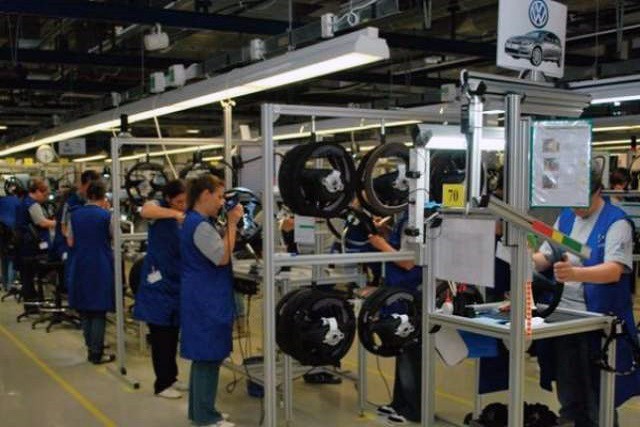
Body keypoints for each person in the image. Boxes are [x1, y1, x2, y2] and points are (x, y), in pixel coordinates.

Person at [532, 172, 640, 426]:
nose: (576, 208)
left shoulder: (616, 222)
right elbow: (547, 256)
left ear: (597, 192)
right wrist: (524, 257)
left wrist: (575, 273)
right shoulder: (566, 217)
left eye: (581, 202)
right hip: (565, 317)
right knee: (569, 390)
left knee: (597, 396)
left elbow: (614, 270)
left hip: (597, 320)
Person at [180, 174, 242, 427]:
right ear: (205, 195)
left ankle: (200, 411)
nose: (221, 202)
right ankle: (206, 417)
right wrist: (232, 224)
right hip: (206, 298)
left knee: (204, 358)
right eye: (218, 196)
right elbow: (222, 257)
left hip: (202, 294)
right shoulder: (200, 226)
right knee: (208, 356)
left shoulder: (195, 221)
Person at [134, 180, 187, 399]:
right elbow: (145, 210)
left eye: (185, 201)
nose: (183, 205)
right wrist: (175, 214)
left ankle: (171, 377)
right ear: (168, 199)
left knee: (172, 334)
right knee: (161, 337)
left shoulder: (184, 215)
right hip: (158, 285)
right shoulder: (158, 211)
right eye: (178, 201)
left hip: (174, 283)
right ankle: (162, 384)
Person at [368, 210, 422, 425]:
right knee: (401, 348)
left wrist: (381, 244)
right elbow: (404, 246)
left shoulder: (417, 215)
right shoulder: (405, 214)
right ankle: (400, 403)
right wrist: (386, 232)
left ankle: (413, 409)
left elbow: (408, 261)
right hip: (398, 290)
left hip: (409, 293)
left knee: (409, 352)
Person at [67, 180, 115, 365]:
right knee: (99, 310)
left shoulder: (74, 215)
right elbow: (115, 236)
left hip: (80, 263)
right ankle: (97, 353)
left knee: (85, 308)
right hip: (100, 264)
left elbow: (70, 241)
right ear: (103, 196)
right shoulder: (106, 215)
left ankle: (90, 348)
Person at [14, 179, 56, 311]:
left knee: (27, 277)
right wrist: (59, 223)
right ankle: (33, 304)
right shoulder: (32, 205)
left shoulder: (24, 202)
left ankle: (31, 305)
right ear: (37, 191)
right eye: (44, 194)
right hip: (32, 247)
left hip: (24, 245)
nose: (45, 198)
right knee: (32, 275)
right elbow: (42, 222)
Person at [0, 189, 22, 291]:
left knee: (4, 260)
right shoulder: (17, 201)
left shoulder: (2, 201)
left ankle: (5, 285)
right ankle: (10, 285)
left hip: (2, 234)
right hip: (12, 234)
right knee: (12, 260)